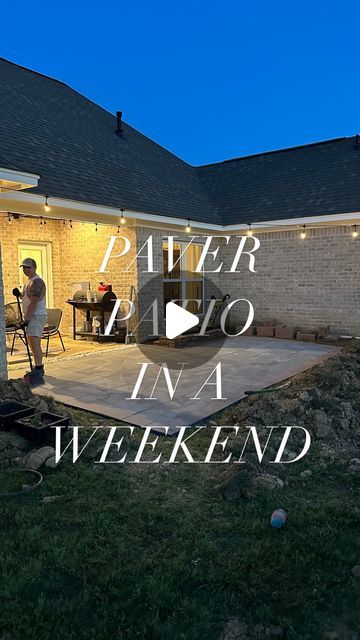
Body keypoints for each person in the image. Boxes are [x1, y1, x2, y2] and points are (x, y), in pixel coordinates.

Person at [12, 258, 47, 383]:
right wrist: (19, 295)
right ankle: (37, 367)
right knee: (31, 342)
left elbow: (34, 302)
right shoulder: (29, 282)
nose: (26, 270)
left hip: (36, 316)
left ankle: (39, 369)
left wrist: (26, 320)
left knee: (35, 343)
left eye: (28, 267)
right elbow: (27, 299)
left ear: (34, 268)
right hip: (32, 316)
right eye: (24, 268)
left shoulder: (37, 282)